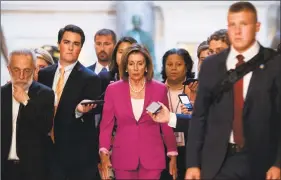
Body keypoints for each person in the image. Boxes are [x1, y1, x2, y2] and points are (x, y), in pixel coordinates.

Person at [185, 2, 281, 180]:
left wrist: (278, 163)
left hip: (261, 159)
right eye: (232, 25)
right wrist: (192, 163)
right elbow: (200, 117)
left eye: (244, 24)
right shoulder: (211, 66)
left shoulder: (274, 64)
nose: (238, 31)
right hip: (219, 160)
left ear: (257, 26)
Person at [99, 44, 178, 180]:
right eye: (131, 64)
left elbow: (165, 123)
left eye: (140, 63)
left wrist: (172, 152)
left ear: (146, 66)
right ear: (126, 67)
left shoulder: (159, 89)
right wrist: (104, 153)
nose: (135, 68)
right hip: (123, 156)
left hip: (152, 157)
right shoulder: (113, 90)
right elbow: (106, 126)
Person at [38, 24, 101, 180]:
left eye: (76, 44)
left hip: (75, 156)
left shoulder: (90, 78)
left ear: (80, 48)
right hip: (45, 151)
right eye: (67, 42)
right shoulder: (44, 74)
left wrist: (79, 111)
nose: (71, 48)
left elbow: (92, 114)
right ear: (60, 44)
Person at [1, 49, 54, 180]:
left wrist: (26, 101)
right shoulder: (2, 94)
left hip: (34, 169)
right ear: (9, 69)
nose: (21, 75)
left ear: (34, 69)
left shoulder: (45, 94)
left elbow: (44, 127)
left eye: (27, 70)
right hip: (5, 168)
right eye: (16, 70)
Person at [160, 48, 196, 179]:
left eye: (179, 64)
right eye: (169, 65)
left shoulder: (194, 90)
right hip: (162, 149)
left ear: (187, 67)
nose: (173, 68)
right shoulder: (156, 90)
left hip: (189, 150)